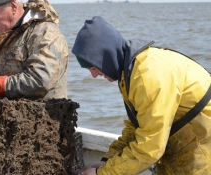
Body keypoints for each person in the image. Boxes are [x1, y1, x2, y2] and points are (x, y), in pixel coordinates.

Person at [72, 16, 211, 175]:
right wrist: (106, 161)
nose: (94, 75)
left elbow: (150, 147)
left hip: (201, 144)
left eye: (93, 67)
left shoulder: (147, 76)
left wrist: (102, 173)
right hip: (180, 143)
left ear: (106, 56)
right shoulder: (129, 71)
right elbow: (136, 127)